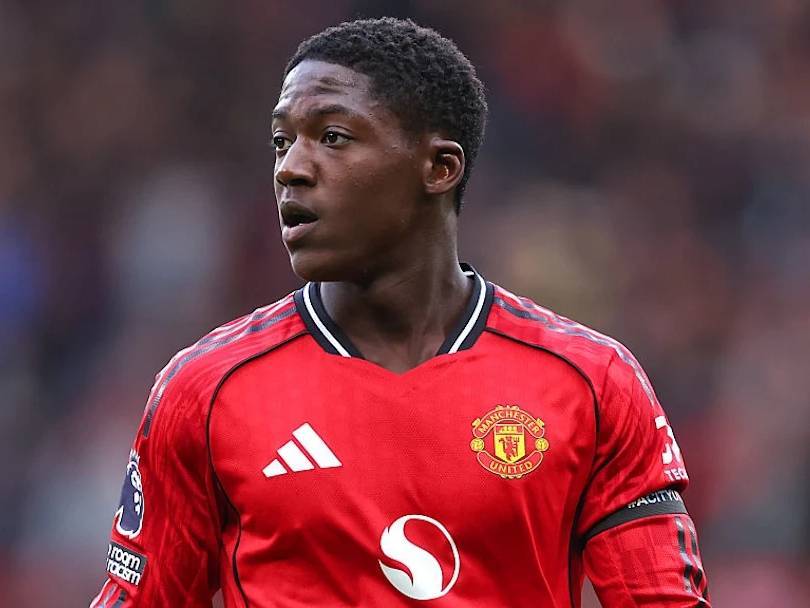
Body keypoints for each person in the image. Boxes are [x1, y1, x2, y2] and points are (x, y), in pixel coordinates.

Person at [90, 17, 710, 607]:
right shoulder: (206, 390)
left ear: (439, 168)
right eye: (282, 141)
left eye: (332, 137)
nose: (291, 168)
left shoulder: (590, 383)